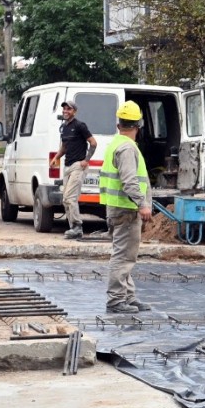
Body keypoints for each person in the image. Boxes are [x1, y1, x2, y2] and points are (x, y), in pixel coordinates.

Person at [99, 101, 153, 314]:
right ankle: (116, 301)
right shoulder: (127, 147)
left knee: (127, 255)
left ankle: (128, 296)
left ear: (118, 124)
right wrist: (142, 204)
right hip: (125, 209)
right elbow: (129, 180)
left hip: (119, 208)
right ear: (138, 124)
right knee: (122, 256)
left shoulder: (116, 143)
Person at [50, 99, 97, 240]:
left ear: (74, 112)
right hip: (68, 166)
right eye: (64, 109)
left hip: (78, 166)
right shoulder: (64, 128)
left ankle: (77, 226)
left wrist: (86, 160)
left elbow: (93, 143)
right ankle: (73, 228)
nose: (65, 111)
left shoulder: (80, 126)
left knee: (70, 197)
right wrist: (56, 158)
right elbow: (64, 147)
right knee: (66, 199)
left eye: (68, 109)